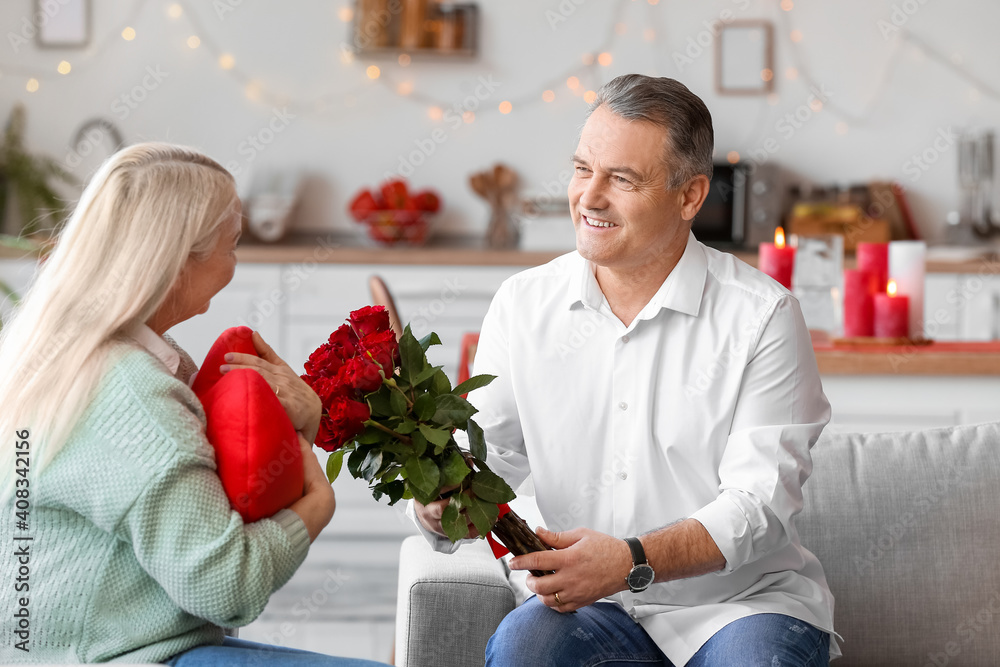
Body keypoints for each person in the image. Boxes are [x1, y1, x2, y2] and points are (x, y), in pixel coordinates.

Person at [412, 75, 839, 666]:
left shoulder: (763, 315)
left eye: (622, 179)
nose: (589, 197)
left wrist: (632, 559)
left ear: (690, 197)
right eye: (583, 168)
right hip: (585, 607)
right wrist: (438, 503)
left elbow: (759, 506)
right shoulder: (522, 304)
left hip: (739, 606)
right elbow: (490, 459)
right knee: (522, 649)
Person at [0, 143, 385, 666]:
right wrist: (318, 497)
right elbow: (228, 587)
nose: (235, 260)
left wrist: (297, 419)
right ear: (180, 262)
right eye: (231, 244)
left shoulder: (58, 352)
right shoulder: (131, 392)